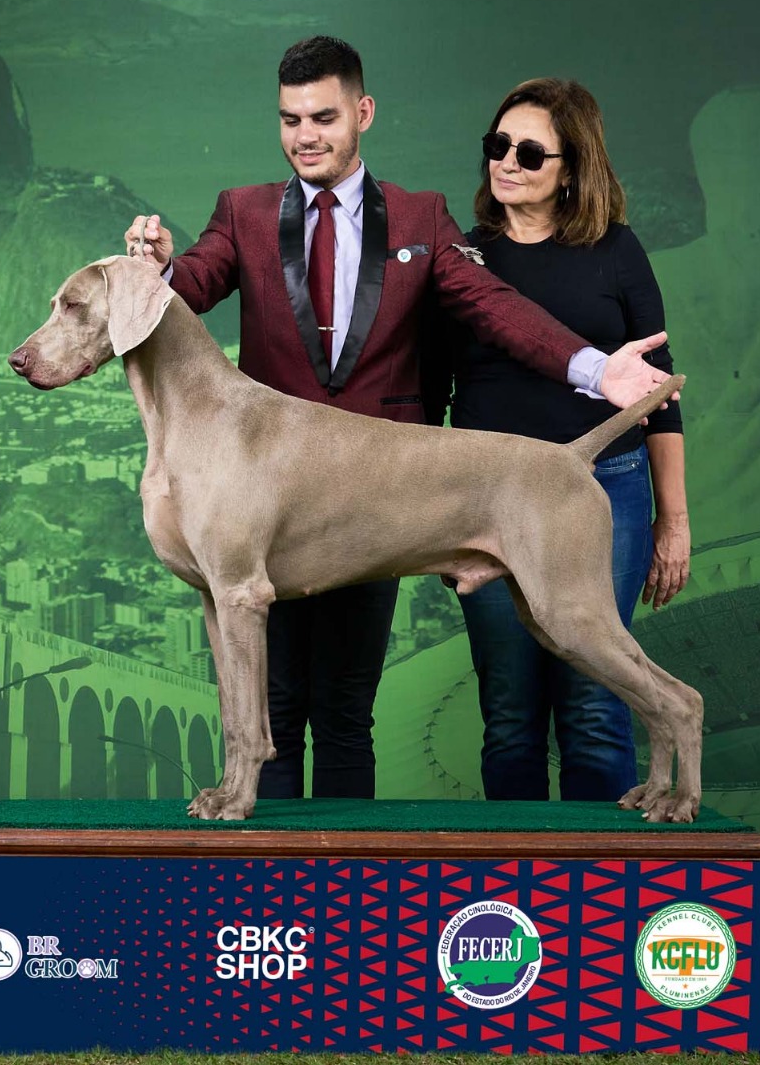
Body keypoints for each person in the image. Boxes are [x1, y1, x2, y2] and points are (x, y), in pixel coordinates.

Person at [124, 39, 674, 801]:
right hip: (259, 500)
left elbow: (494, 307)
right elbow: (191, 283)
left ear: (363, 112)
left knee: (347, 717)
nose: (304, 136)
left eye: (323, 117)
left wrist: (596, 368)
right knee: (274, 705)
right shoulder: (241, 212)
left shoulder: (422, 217)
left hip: (374, 499)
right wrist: (157, 270)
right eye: (290, 120)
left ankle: (341, 877)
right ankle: (262, 870)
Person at [438, 77, 690, 802]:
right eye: (497, 145)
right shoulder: (461, 259)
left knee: (596, 709)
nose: (506, 162)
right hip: (485, 505)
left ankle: (602, 872)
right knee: (509, 716)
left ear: (573, 168)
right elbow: (424, 387)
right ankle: (512, 873)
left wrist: (672, 521)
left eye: (529, 153)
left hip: (604, 489)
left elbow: (660, 395)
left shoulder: (617, 251)